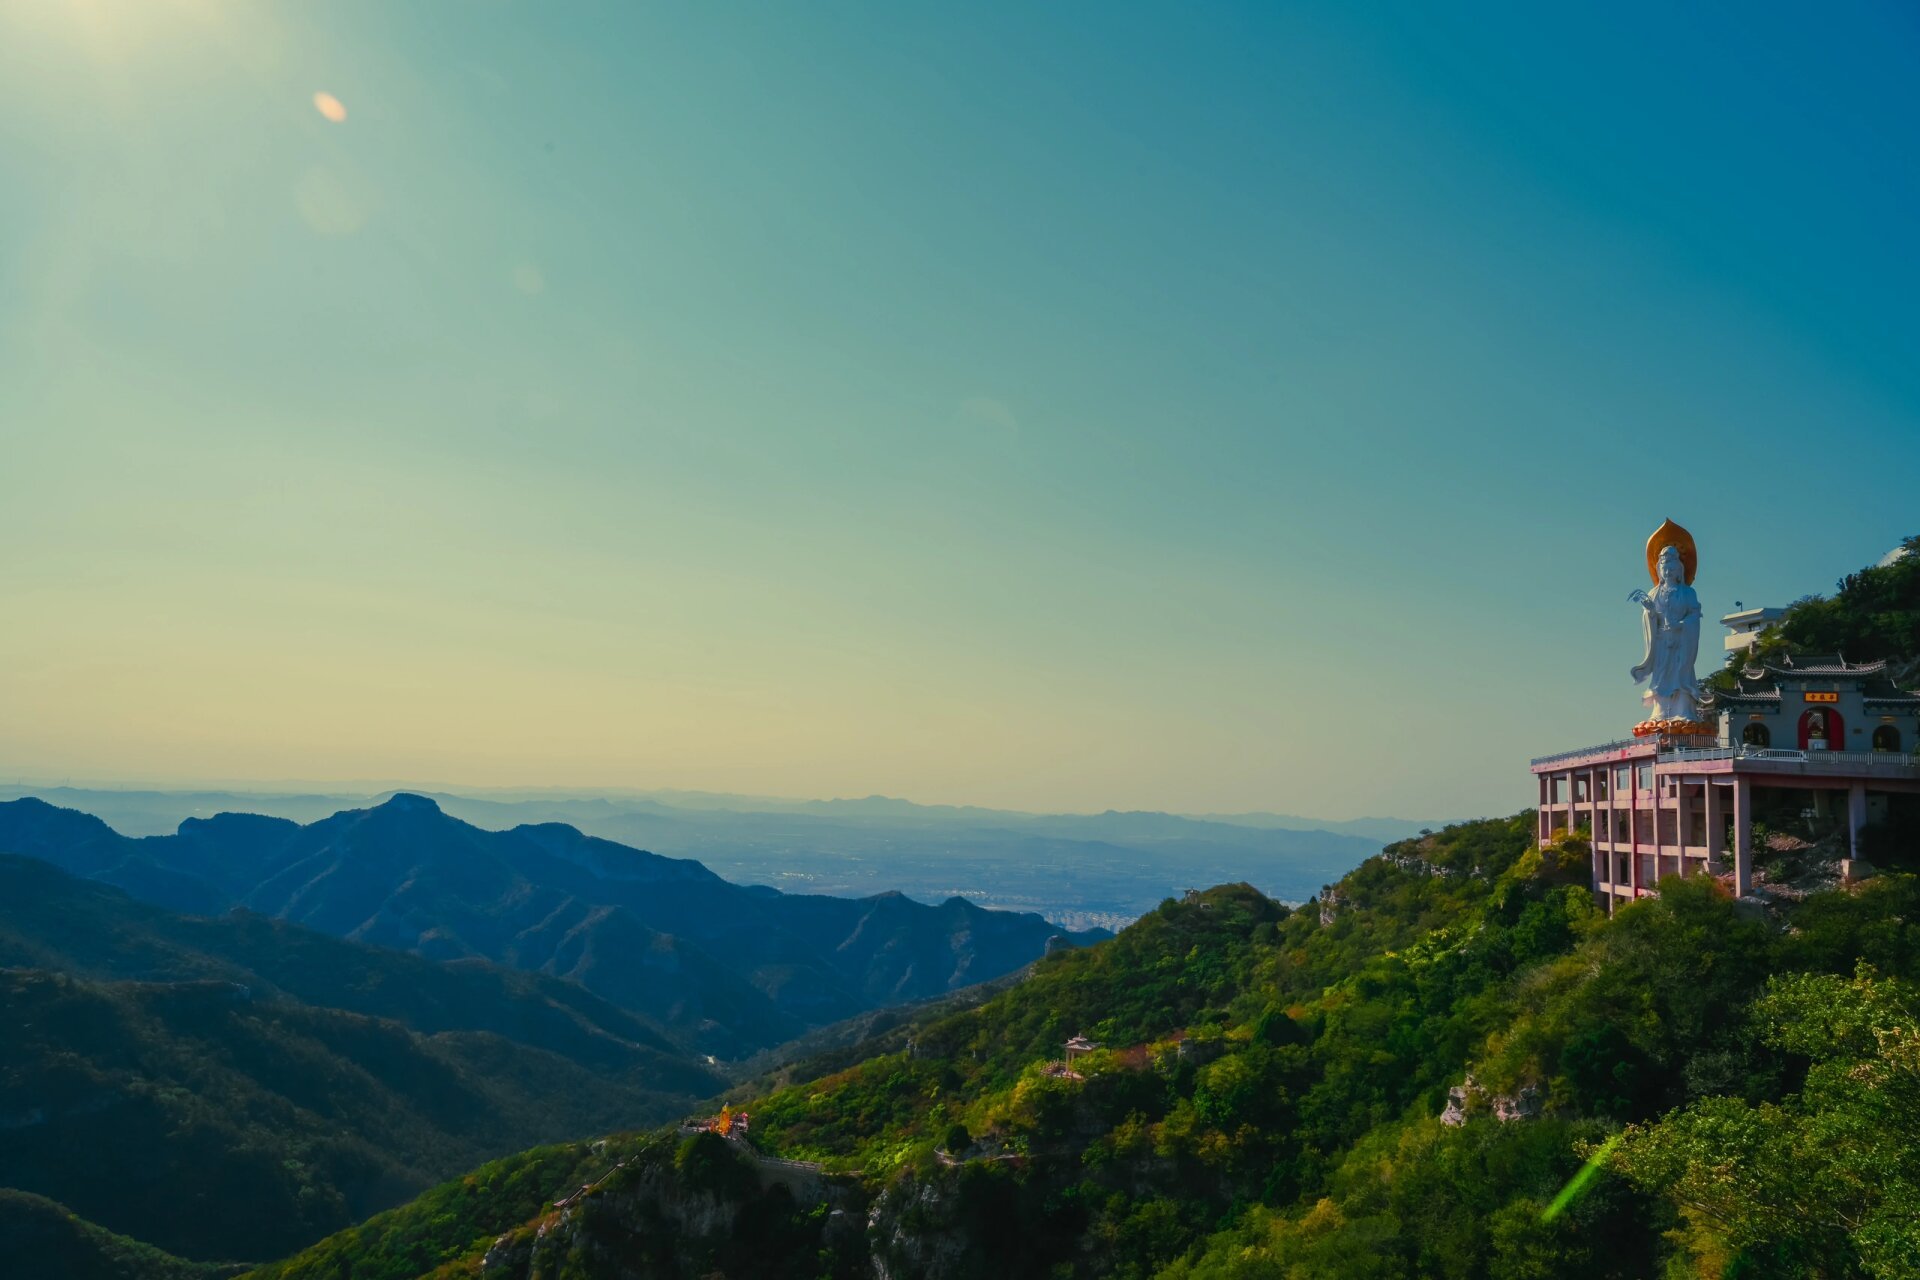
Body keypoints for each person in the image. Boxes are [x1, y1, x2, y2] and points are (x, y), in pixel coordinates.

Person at [1629, 544, 1703, 721]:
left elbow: (1694, 615)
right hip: (1662, 640)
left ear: (1679, 570)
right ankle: (1660, 713)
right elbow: (1651, 618)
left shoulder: (1688, 592)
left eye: (1671, 568)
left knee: (1680, 674)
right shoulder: (1654, 593)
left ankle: (1684, 711)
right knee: (1661, 677)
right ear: (1659, 571)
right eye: (1664, 569)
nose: (1668, 572)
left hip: (1681, 640)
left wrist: (1682, 624)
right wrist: (1650, 612)